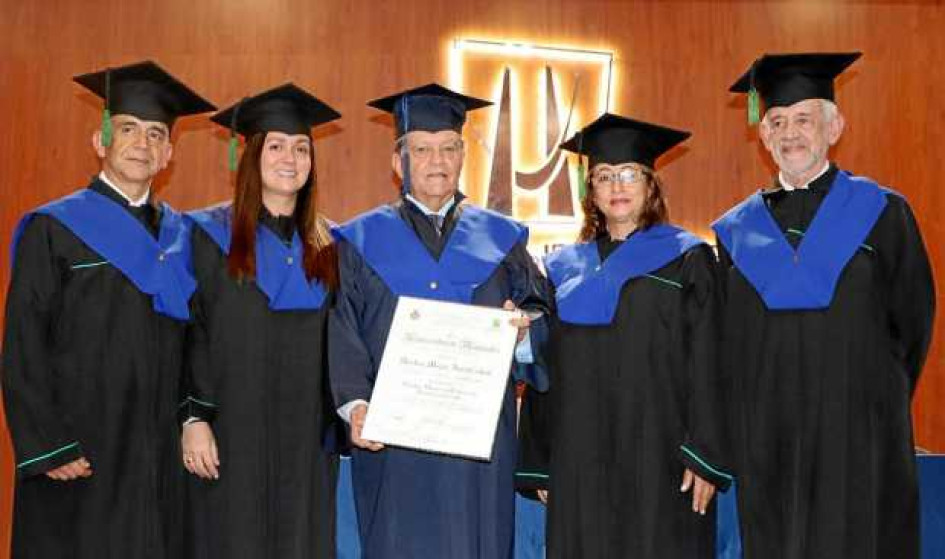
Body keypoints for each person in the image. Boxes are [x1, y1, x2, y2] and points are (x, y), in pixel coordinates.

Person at [715, 52, 935, 558]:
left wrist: (871, 397)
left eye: (803, 120)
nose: (789, 133)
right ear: (762, 135)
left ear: (834, 127)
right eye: (776, 122)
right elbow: (729, 344)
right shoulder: (734, 233)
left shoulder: (883, 213)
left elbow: (913, 324)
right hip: (769, 440)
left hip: (861, 434)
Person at [328, 83, 553, 558]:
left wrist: (525, 332)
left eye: (449, 148)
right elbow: (341, 329)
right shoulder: (359, 241)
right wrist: (356, 405)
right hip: (394, 443)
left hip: (480, 443)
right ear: (398, 162)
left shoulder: (502, 238)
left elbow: (539, 313)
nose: (437, 161)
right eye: (422, 149)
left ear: (463, 156)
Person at [1, 60, 214, 558]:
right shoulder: (54, 228)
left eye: (156, 134)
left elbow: (197, 342)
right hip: (83, 446)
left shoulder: (183, 238)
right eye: (128, 129)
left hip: (159, 447)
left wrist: (193, 418)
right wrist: (48, 443)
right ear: (100, 142)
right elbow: (23, 342)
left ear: (168, 155)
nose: (142, 143)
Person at [516, 113, 732, 558]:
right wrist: (541, 463)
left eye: (629, 175)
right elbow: (545, 371)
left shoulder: (687, 259)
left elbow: (711, 363)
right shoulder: (561, 268)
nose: (617, 187)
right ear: (590, 191)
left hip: (662, 456)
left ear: (651, 185)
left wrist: (705, 454)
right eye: (604, 176)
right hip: (580, 460)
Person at [180, 83, 343, 559]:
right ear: (250, 156)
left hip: (305, 439)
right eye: (275, 145)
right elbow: (192, 334)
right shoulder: (208, 238)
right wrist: (194, 418)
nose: (289, 158)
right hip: (231, 432)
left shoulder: (330, 249)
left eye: (300, 147)